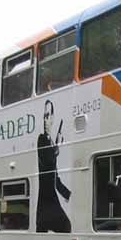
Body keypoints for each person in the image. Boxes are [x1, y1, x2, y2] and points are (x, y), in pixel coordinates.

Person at [36, 100, 72, 233]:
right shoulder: (41, 139)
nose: (45, 119)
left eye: (48, 116)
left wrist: (68, 194)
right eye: (44, 116)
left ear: (53, 118)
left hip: (49, 204)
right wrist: (57, 147)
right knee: (66, 226)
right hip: (47, 203)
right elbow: (47, 161)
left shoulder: (50, 142)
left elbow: (55, 177)